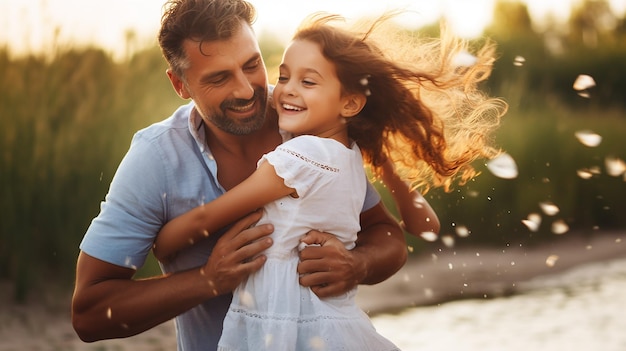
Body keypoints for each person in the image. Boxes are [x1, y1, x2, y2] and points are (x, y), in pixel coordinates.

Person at [71, 1, 420, 350]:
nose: (245, 90)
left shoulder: (306, 123)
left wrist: (356, 264)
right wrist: (208, 280)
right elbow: (89, 314)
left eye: (251, 65)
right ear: (180, 84)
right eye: (219, 78)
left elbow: (385, 234)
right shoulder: (155, 159)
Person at [152, 11, 506, 351]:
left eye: (308, 82)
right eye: (285, 75)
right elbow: (426, 226)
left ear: (350, 103)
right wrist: (383, 162)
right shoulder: (349, 155)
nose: (286, 90)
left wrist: (163, 244)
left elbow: (210, 216)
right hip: (331, 319)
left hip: (286, 322)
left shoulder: (301, 158)